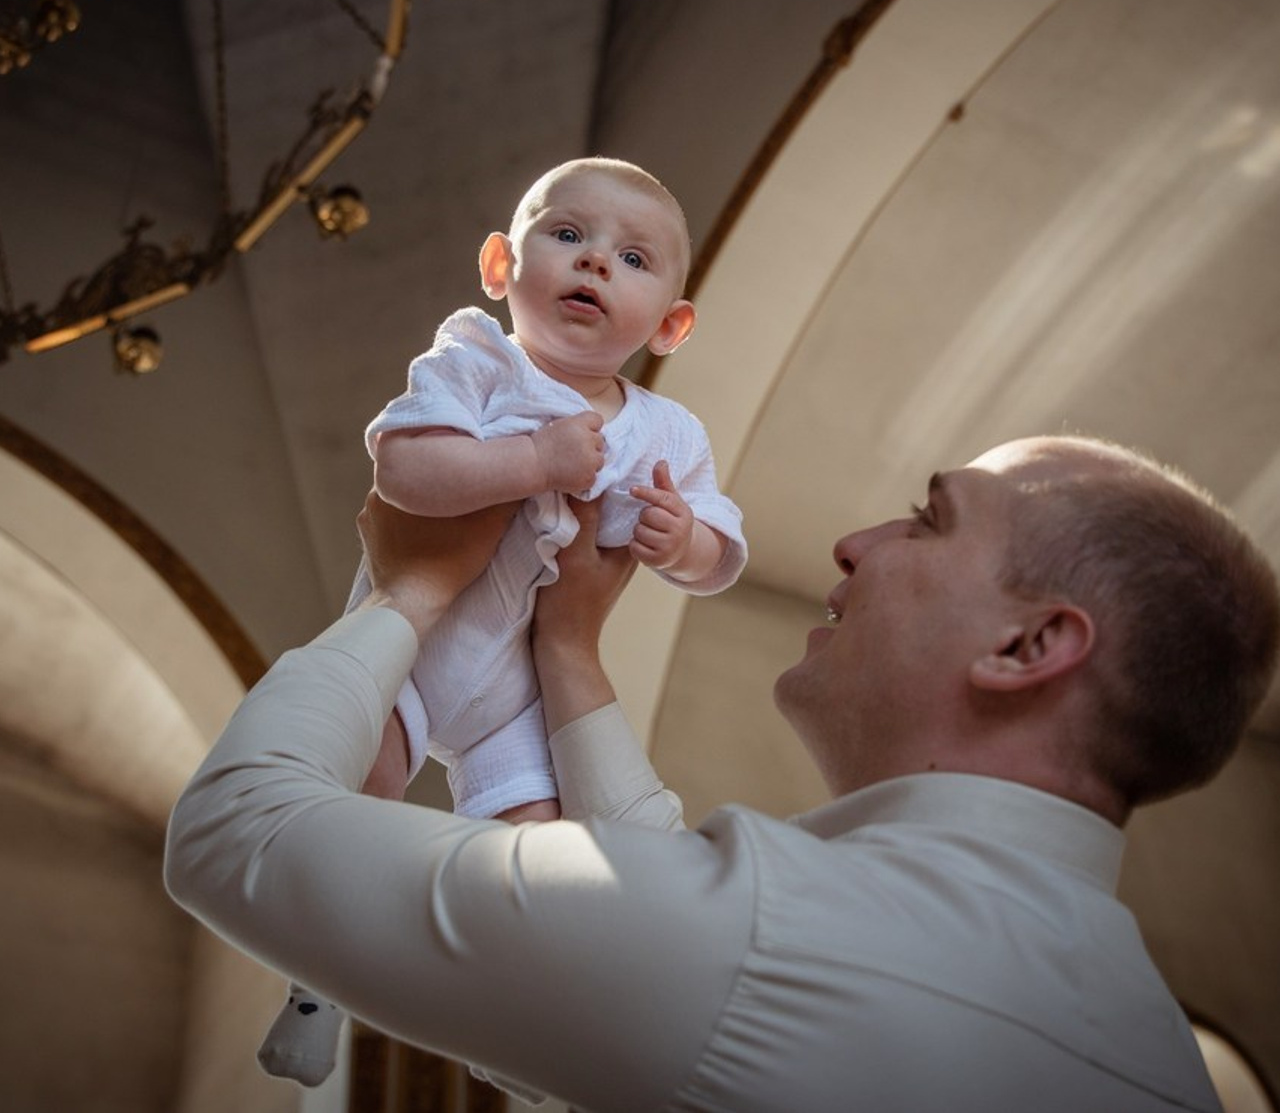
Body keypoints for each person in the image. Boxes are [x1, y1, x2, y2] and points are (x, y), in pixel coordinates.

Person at [166, 434, 1279, 1110]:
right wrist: (566, 651)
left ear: (1027, 647)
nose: (854, 540)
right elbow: (669, 965)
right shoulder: (1153, 1050)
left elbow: (235, 829)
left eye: (925, 520)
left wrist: (410, 588)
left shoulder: (774, 940)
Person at [256, 156, 747, 1085]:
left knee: (537, 860)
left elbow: (722, 557)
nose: (596, 264)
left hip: (521, 696)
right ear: (498, 267)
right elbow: (404, 473)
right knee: (356, 802)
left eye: (634, 259)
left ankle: (502, 1024)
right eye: (568, 236)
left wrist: (681, 540)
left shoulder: (669, 435)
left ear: (672, 326)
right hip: (417, 644)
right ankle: (317, 988)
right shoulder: (475, 360)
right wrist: (535, 459)